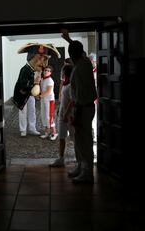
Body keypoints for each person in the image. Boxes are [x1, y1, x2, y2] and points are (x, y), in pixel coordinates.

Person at [61, 29, 97, 183]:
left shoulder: (81, 68)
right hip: (81, 107)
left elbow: (81, 94)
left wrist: (77, 112)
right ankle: (80, 166)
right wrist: (69, 40)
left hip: (83, 107)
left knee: (84, 141)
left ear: (72, 55)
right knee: (78, 139)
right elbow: (80, 52)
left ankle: (87, 171)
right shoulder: (85, 63)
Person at [12, 53, 48, 137]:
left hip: (30, 94)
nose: (41, 63)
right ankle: (23, 130)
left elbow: (37, 84)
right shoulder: (24, 69)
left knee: (32, 111)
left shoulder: (36, 69)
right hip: (22, 94)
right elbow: (23, 83)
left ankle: (32, 128)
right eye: (40, 60)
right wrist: (34, 82)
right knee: (23, 111)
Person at [49, 64, 74, 167]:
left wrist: (66, 114)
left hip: (69, 116)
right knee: (61, 137)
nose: (61, 73)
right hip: (62, 115)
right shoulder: (64, 84)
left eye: (62, 71)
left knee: (74, 137)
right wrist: (59, 108)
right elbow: (64, 99)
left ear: (65, 73)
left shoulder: (71, 85)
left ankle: (80, 158)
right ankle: (61, 158)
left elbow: (72, 101)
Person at [37, 65, 58, 141]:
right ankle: (47, 133)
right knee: (43, 116)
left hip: (49, 100)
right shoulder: (42, 79)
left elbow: (48, 91)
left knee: (49, 117)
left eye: (48, 71)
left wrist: (40, 96)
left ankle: (54, 133)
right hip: (43, 100)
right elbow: (39, 88)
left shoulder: (50, 80)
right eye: (45, 70)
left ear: (50, 73)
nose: (46, 72)